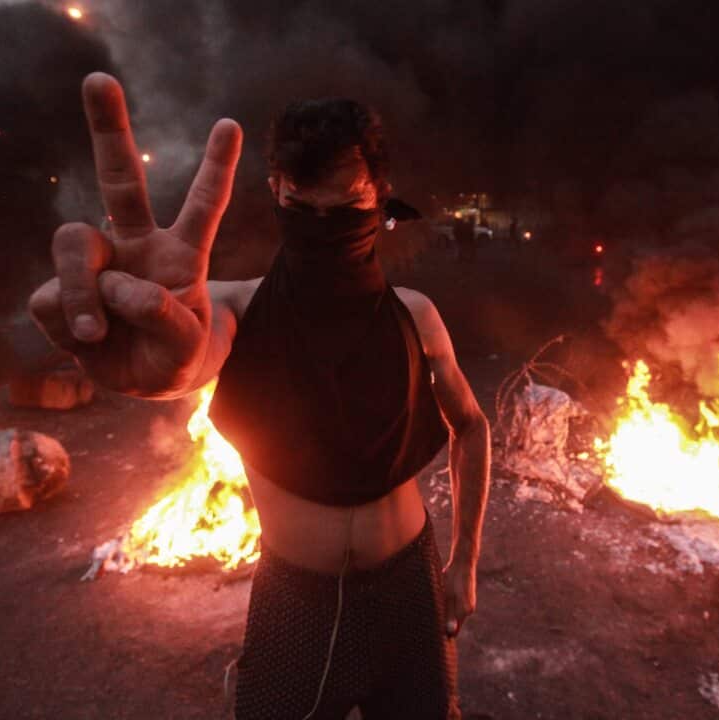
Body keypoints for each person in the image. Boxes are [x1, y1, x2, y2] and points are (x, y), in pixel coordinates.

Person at [29, 73, 489, 720]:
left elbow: (470, 426)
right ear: (276, 191)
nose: (326, 227)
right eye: (305, 209)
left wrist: (464, 561)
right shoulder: (235, 309)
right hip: (294, 604)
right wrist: (161, 359)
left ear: (380, 198)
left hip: (410, 588)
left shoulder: (416, 316)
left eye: (349, 208)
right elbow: (188, 352)